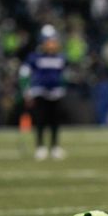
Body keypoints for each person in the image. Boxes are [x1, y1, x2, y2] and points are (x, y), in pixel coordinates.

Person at [20, 25, 68, 160]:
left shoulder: (61, 57)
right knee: (40, 120)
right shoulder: (34, 57)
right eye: (49, 41)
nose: (52, 44)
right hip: (39, 92)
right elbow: (24, 74)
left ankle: (55, 146)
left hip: (56, 93)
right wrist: (26, 91)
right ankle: (40, 146)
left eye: (54, 41)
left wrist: (63, 86)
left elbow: (64, 75)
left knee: (55, 121)